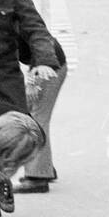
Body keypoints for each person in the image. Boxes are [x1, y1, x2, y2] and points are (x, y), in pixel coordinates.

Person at [16, 30, 68, 193]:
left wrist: (32, 81)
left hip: (48, 67)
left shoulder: (12, 15)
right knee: (34, 116)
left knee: (37, 120)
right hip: (49, 65)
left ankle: (38, 177)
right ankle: (44, 169)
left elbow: (40, 43)